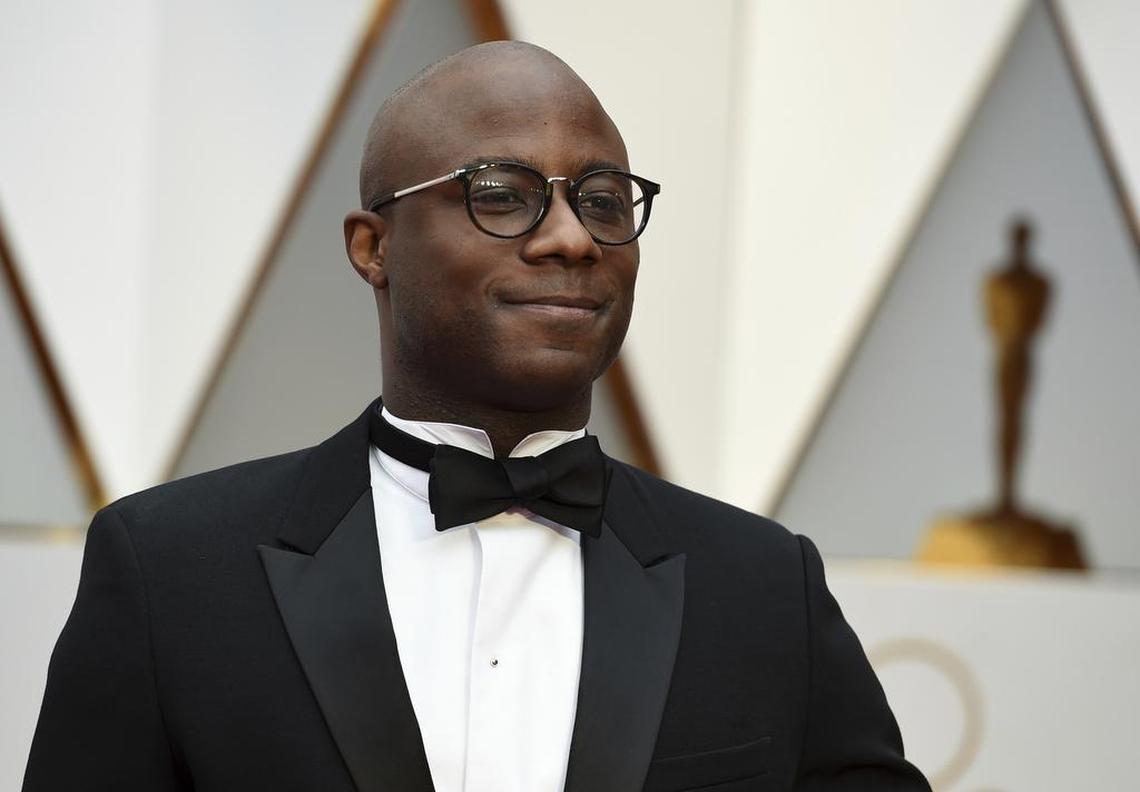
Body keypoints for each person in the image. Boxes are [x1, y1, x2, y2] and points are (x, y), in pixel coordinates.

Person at [24, 42, 929, 792]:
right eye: (502, 193)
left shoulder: (766, 585)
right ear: (373, 247)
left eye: (604, 201)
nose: (572, 237)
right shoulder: (170, 571)